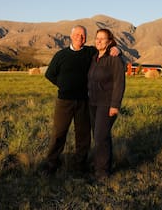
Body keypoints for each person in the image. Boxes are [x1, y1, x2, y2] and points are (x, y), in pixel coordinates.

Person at [42, 25, 119, 176]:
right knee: (59, 133)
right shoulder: (61, 55)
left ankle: (80, 165)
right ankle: (51, 164)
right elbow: (50, 74)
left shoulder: (89, 52)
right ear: (71, 36)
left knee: (83, 135)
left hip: (84, 101)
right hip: (64, 101)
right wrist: (63, 85)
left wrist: (117, 49)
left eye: (83, 35)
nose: (80, 38)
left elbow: (105, 48)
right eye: (77, 35)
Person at [88, 28, 125, 180]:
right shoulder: (94, 57)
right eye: (97, 38)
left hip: (106, 103)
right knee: (101, 137)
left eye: (103, 39)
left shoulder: (114, 58)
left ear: (110, 42)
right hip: (93, 103)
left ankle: (102, 173)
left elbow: (119, 83)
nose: (99, 41)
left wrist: (115, 105)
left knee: (100, 137)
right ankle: (102, 166)